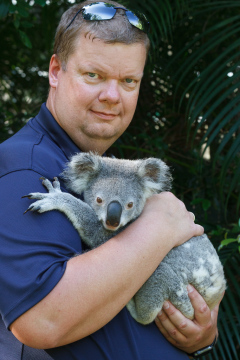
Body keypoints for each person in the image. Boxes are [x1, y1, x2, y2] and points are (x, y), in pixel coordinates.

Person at [0, 1, 221, 359]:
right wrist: (158, 227)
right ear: (56, 71)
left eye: (128, 81)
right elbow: (41, 320)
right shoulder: (24, 168)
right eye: (94, 75)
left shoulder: (112, 173)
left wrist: (201, 335)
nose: (112, 96)